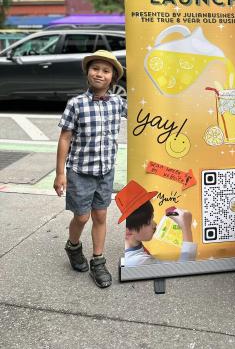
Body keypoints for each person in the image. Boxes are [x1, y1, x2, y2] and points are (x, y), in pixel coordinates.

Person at [54, 50, 127, 288]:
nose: (100, 74)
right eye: (95, 69)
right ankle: (73, 246)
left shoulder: (117, 103)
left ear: (112, 78)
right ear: (88, 72)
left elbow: (145, 112)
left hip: (105, 171)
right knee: (82, 216)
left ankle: (98, 260)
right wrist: (60, 173)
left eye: (106, 71)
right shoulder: (76, 104)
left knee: (101, 215)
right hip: (80, 171)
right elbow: (65, 138)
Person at [116, 180, 197, 267]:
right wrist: (186, 228)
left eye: (152, 218)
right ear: (128, 230)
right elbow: (184, 270)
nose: (155, 224)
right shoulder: (137, 262)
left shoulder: (133, 245)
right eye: (148, 222)